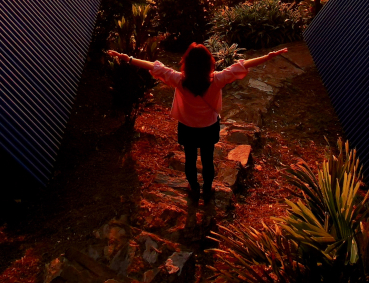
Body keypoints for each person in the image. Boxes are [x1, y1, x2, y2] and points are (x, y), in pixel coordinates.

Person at [106, 43, 288, 204]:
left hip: (187, 127)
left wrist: (127, 58)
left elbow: (154, 67)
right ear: (209, 62)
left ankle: (193, 188)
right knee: (208, 160)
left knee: (190, 159)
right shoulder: (217, 79)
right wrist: (268, 56)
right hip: (209, 127)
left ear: (187, 63)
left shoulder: (179, 80)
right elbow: (242, 65)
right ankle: (207, 190)